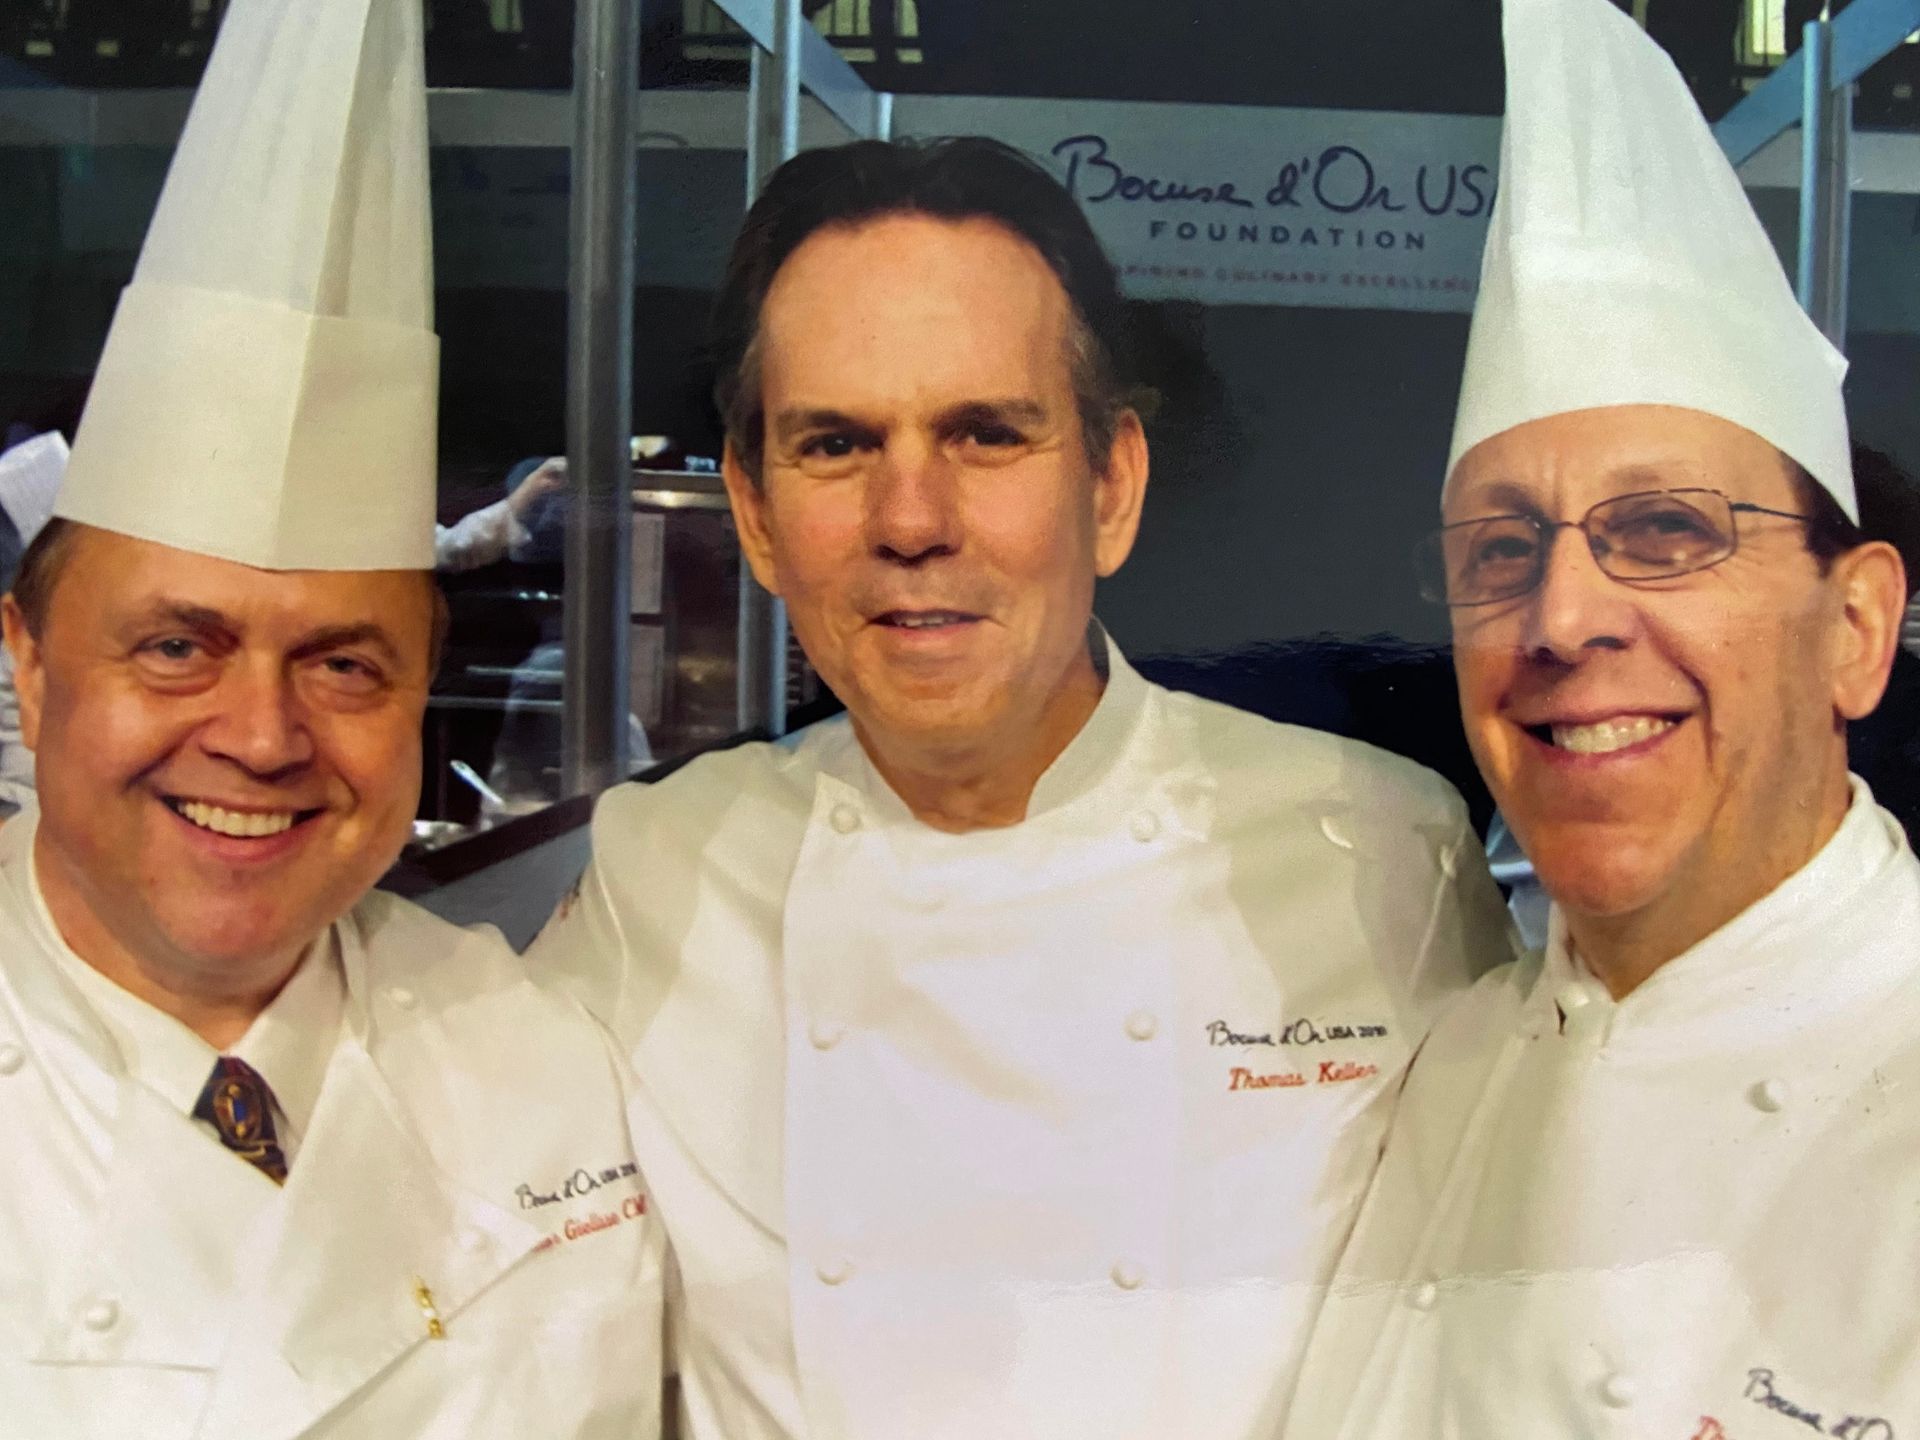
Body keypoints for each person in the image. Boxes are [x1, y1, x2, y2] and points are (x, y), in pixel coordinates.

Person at [529, 135, 1513, 1440]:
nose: (913, 518)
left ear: (1111, 483)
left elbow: (1497, 1326)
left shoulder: (1384, 854)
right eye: (835, 443)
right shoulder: (658, 872)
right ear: (756, 515)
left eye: (986, 433)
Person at [0, 1, 664, 1434]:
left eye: (346, 666)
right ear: (32, 663)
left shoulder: (545, 1054)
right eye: (177, 646)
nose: (260, 735)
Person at [1282, 1, 1918, 1433]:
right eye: (1500, 550)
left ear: (1857, 628)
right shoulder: (1445, 1061)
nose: (1561, 619)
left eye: (1666, 528)